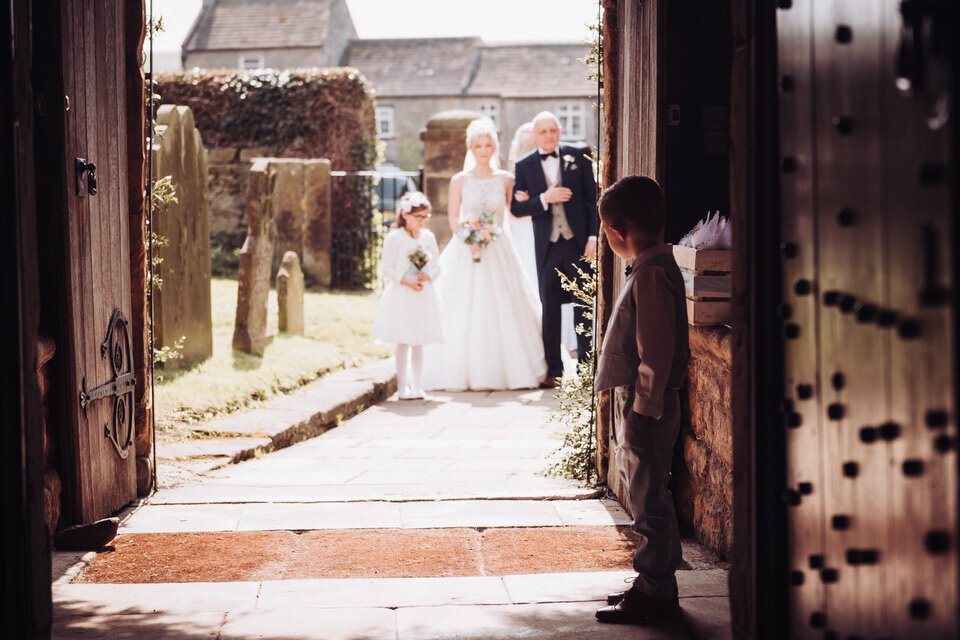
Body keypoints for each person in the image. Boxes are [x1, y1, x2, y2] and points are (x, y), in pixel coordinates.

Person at [592, 176, 690, 625]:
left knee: (649, 498)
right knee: (648, 491)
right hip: (645, 402)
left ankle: (655, 591)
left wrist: (643, 409)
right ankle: (654, 581)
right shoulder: (656, 265)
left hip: (646, 405)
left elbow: (656, 349)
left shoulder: (651, 275)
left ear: (614, 234)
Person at [421, 118, 547, 391]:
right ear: (471, 148)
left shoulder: (506, 179)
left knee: (503, 303)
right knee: (462, 307)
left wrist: (535, 203)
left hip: (499, 248)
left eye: (488, 144)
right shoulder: (459, 180)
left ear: (495, 147)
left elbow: (513, 214)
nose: (483, 149)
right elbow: (453, 218)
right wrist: (468, 239)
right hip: (467, 249)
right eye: (478, 145)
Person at [510, 111, 597, 388]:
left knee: (583, 304)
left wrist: (594, 236)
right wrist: (544, 199)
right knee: (550, 308)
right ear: (533, 135)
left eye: (553, 130)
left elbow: (592, 199)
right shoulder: (524, 165)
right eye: (543, 131)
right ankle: (554, 371)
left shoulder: (577, 155)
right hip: (547, 247)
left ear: (559, 132)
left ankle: (585, 369)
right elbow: (516, 208)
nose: (549, 136)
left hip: (578, 243)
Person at [372, 191, 445, 400]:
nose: (422, 222)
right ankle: (402, 386)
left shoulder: (428, 237)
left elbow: (437, 266)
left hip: (422, 294)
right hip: (402, 294)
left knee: (418, 341)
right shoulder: (395, 237)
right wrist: (405, 280)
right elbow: (387, 267)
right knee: (403, 341)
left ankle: (417, 385)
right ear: (405, 215)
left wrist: (427, 275)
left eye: (425, 217)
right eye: (418, 217)